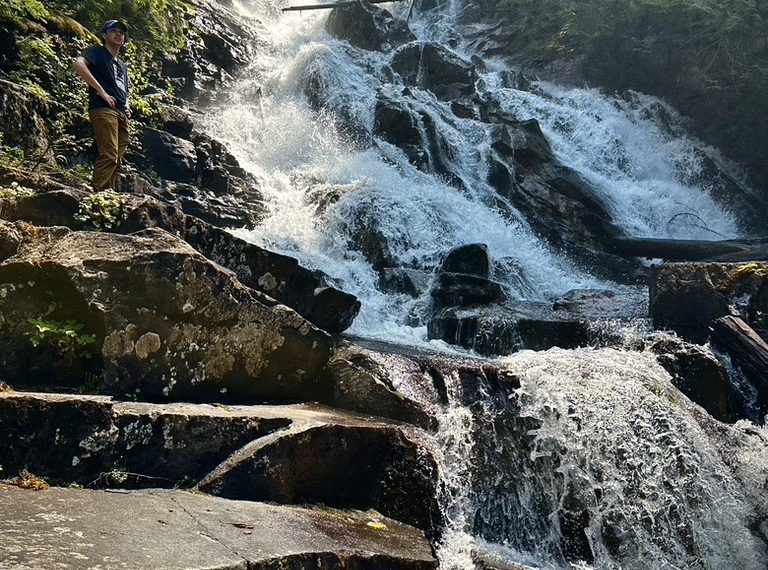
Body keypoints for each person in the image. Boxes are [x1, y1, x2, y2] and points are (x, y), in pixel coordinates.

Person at [73, 20, 131, 192]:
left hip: (121, 112)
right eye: (114, 30)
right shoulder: (97, 51)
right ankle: (99, 194)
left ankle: (109, 193)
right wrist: (100, 90)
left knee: (117, 159)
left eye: (122, 32)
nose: (119, 34)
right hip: (104, 109)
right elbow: (78, 65)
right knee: (110, 155)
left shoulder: (122, 65)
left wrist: (127, 104)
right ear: (104, 35)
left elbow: (125, 88)